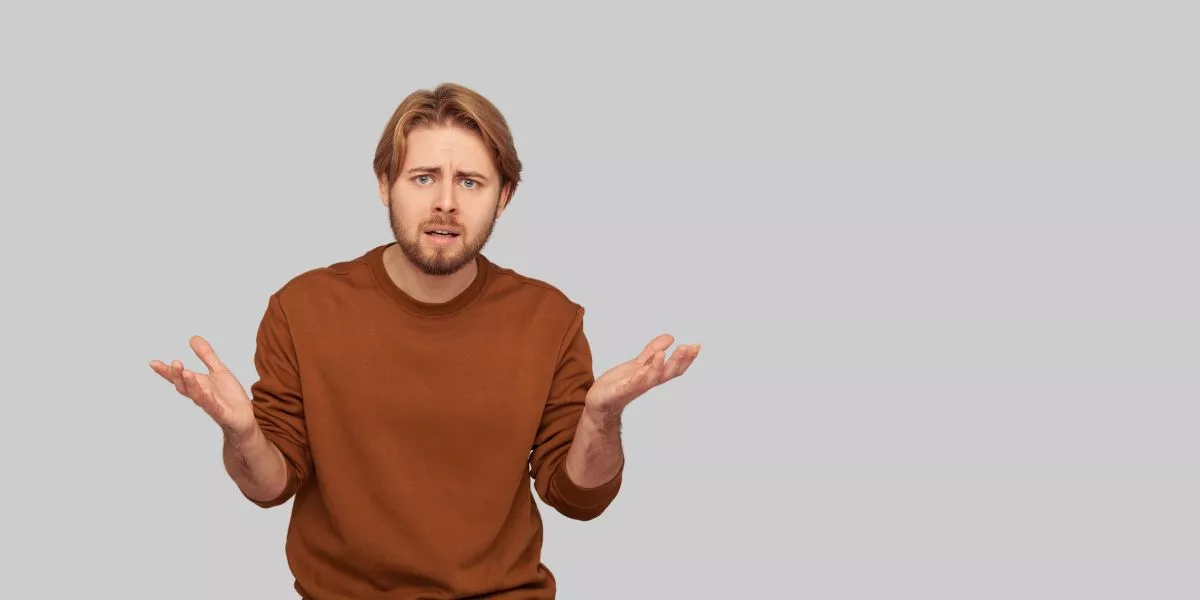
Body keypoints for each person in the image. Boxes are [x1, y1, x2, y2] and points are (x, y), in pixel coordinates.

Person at [148, 82, 701, 599]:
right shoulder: (302, 308)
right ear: (385, 184)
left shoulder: (550, 318)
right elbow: (269, 487)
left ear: (503, 196)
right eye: (423, 177)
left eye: (470, 181)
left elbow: (578, 498)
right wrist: (242, 434)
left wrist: (601, 418)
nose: (445, 202)